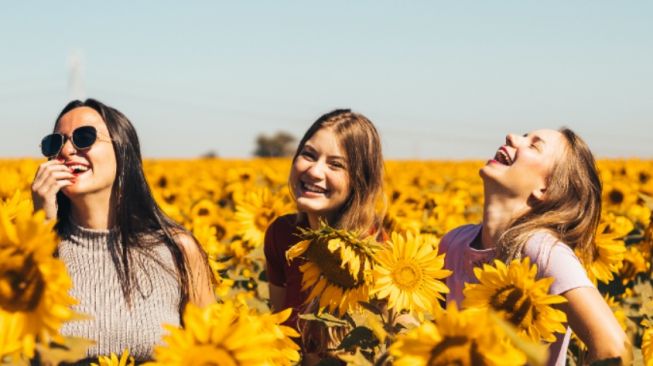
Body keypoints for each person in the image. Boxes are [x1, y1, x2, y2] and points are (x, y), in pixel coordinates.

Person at [31, 99, 214, 363]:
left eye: (84, 137)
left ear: (122, 149)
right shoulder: (30, 252)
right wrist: (40, 230)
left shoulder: (177, 249)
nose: (67, 150)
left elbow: (211, 349)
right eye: (55, 143)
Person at [439, 128, 631, 365]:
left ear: (545, 189)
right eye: (523, 135)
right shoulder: (453, 243)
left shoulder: (543, 251)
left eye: (533, 145)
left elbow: (614, 349)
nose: (511, 137)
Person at [264, 109, 385, 358]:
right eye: (308, 155)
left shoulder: (378, 249)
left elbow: (381, 342)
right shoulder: (282, 234)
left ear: (359, 180)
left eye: (335, 164)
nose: (315, 171)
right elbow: (279, 326)